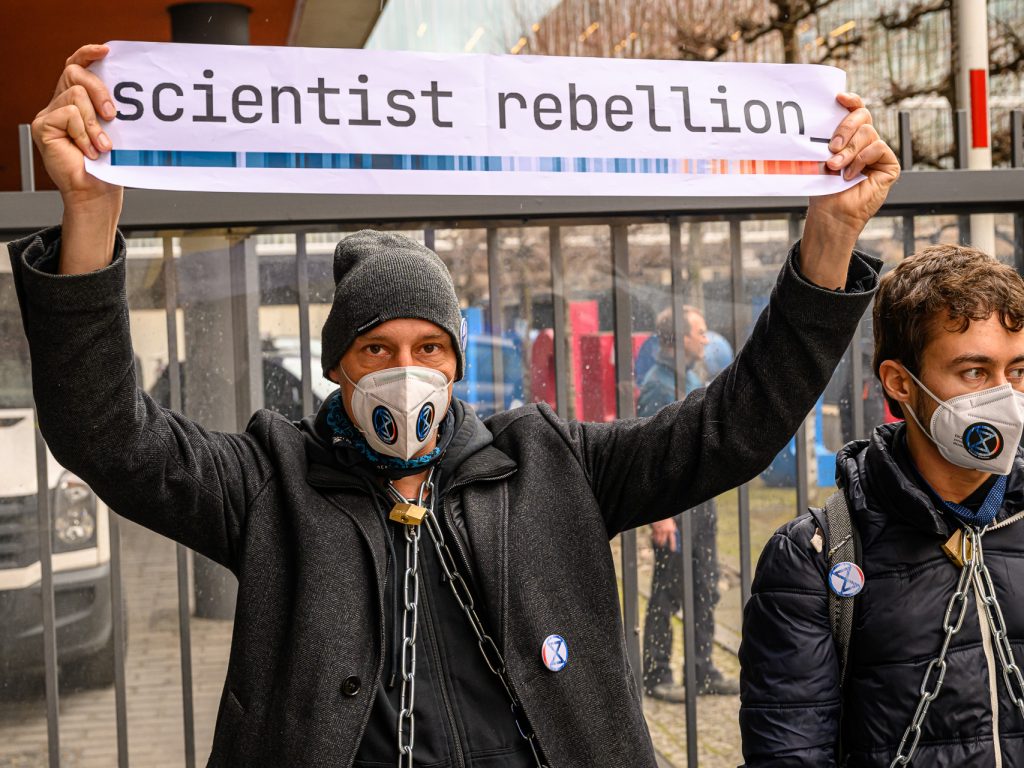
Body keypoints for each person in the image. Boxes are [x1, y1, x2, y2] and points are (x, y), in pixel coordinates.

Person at [12, 44, 897, 767]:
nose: (408, 371)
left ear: (459, 362)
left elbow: (730, 428)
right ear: (339, 370)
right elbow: (110, 437)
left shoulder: (552, 464)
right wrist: (88, 221)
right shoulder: (269, 484)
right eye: (378, 350)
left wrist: (828, 247)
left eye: (429, 348)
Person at [739, 245, 1024, 766]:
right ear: (900, 383)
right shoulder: (816, 557)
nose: (1006, 397)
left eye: (1019, 370)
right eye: (976, 372)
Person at [640, 306, 738, 700]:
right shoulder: (657, 386)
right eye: (699, 331)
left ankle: (702, 670)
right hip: (674, 509)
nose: (705, 338)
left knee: (704, 586)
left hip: (700, 503)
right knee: (667, 590)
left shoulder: (691, 376)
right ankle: (657, 674)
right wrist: (660, 517)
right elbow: (650, 455)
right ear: (680, 338)